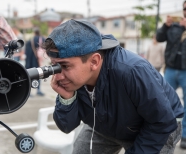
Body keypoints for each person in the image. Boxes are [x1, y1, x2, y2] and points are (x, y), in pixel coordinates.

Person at [43, 19, 184, 154]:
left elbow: (162, 121)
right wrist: (66, 98)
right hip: (106, 121)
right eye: (54, 66)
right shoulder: (75, 77)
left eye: (65, 66)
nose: (58, 76)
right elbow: (66, 126)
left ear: (94, 61)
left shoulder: (131, 71)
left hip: (156, 125)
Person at [156, 0, 186, 149]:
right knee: (163, 100)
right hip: (171, 69)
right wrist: (165, 25)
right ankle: (164, 131)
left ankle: (185, 135)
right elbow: (159, 37)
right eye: (185, 8)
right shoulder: (174, 26)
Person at [25, 28, 45, 96]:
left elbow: (26, 52)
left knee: (29, 76)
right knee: (39, 75)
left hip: (29, 62)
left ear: (34, 33)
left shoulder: (30, 41)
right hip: (37, 61)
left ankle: (29, 92)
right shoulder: (42, 39)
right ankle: (38, 90)